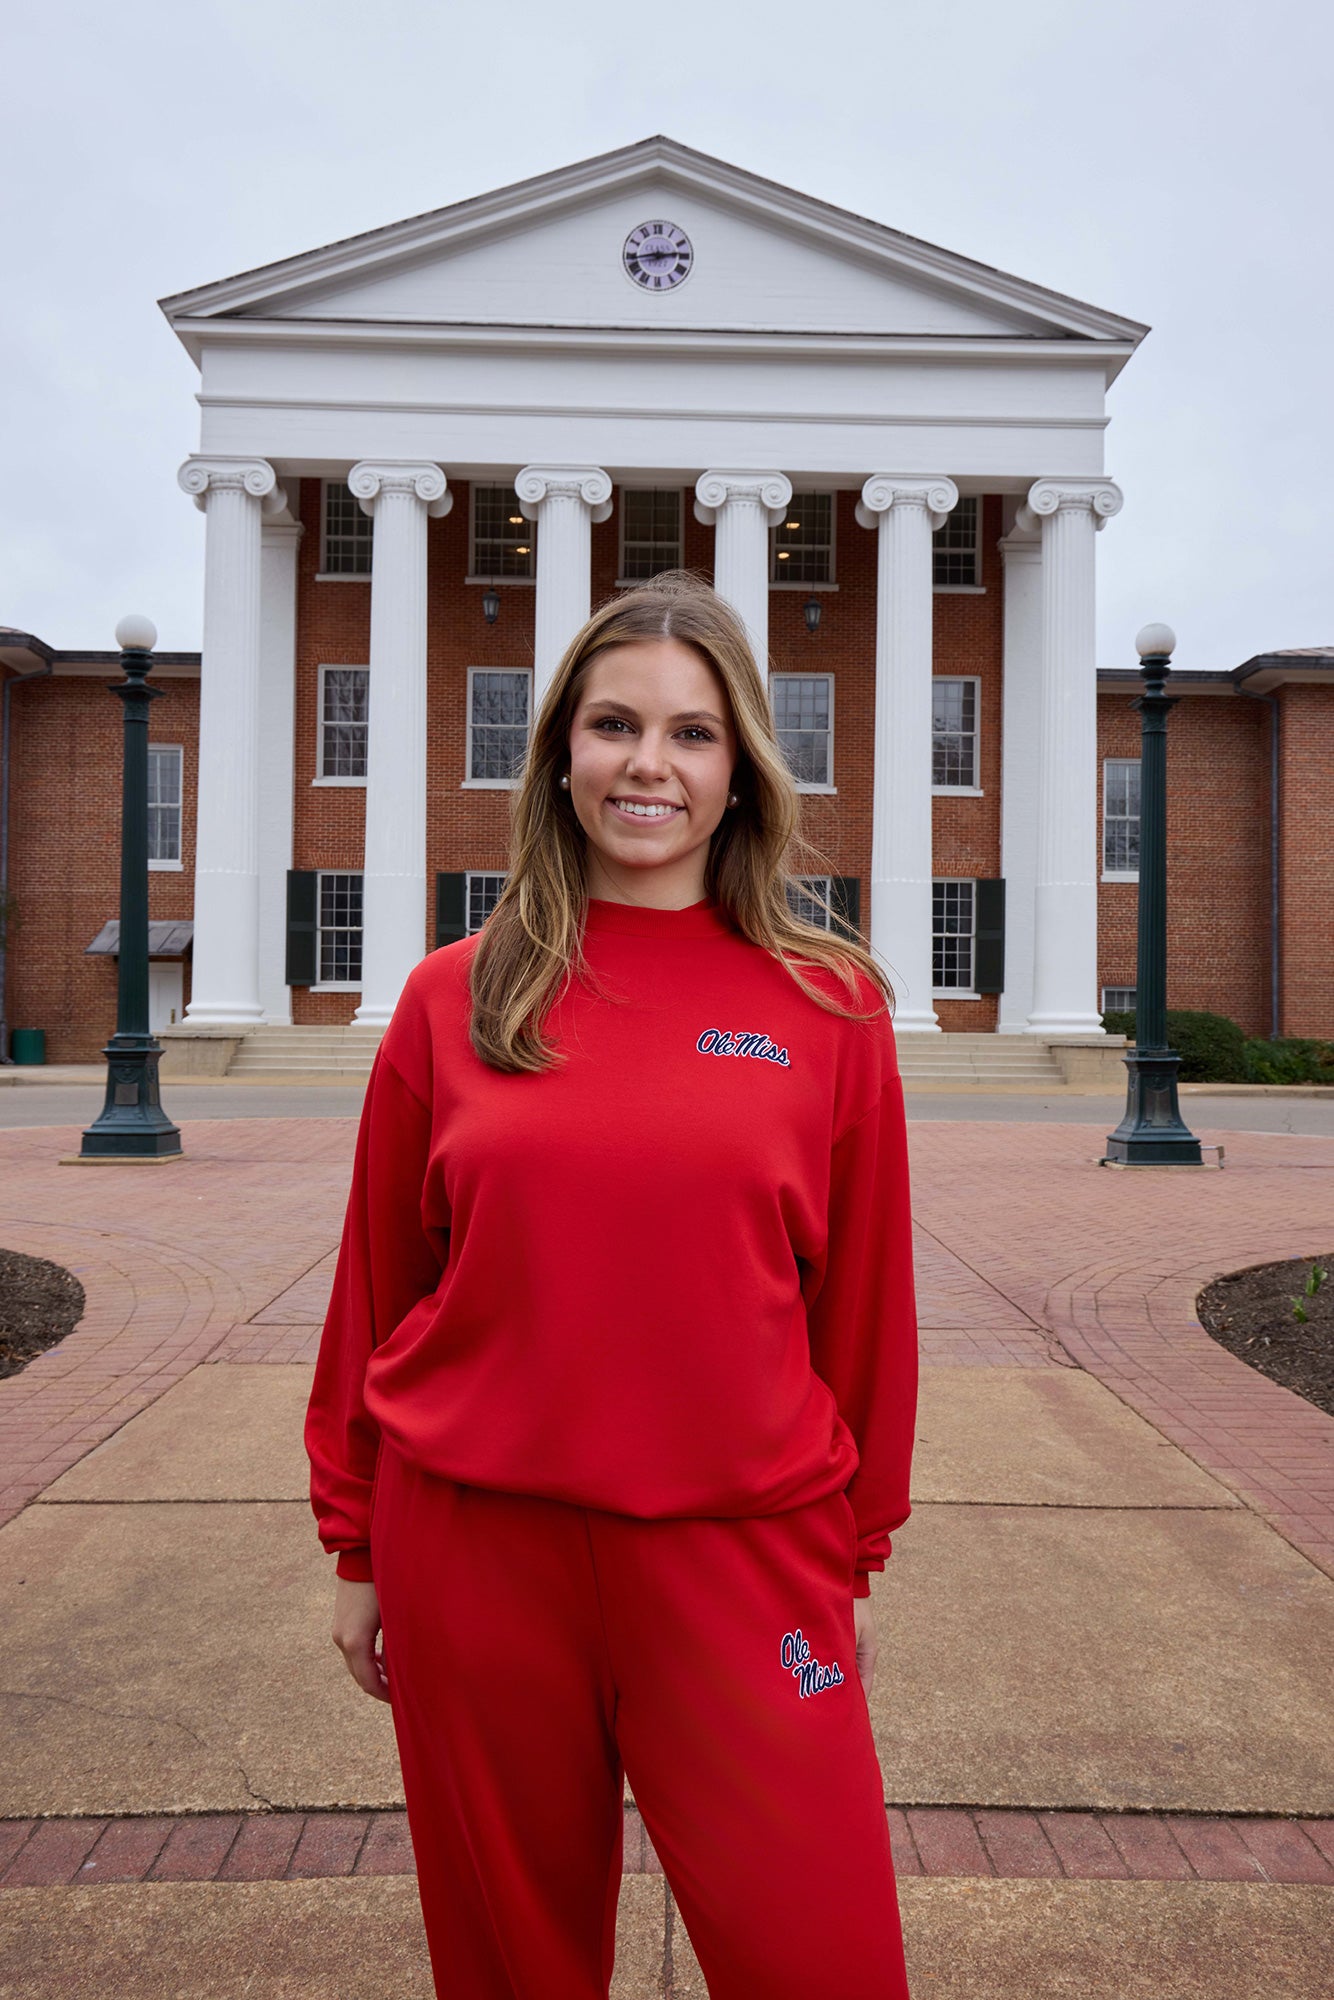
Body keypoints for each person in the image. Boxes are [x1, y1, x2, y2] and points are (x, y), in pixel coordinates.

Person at [304, 571, 919, 2000]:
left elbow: (865, 1317)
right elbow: (379, 1292)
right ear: (561, 753)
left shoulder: (828, 1007)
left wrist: (856, 1553)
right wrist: (354, 1548)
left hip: (737, 1552)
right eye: (614, 724)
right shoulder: (453, 996)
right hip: (472, 1543)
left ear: (740, 768)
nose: (648, 764)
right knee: (510, 1968)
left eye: (692, 734)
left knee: (820, 1962)